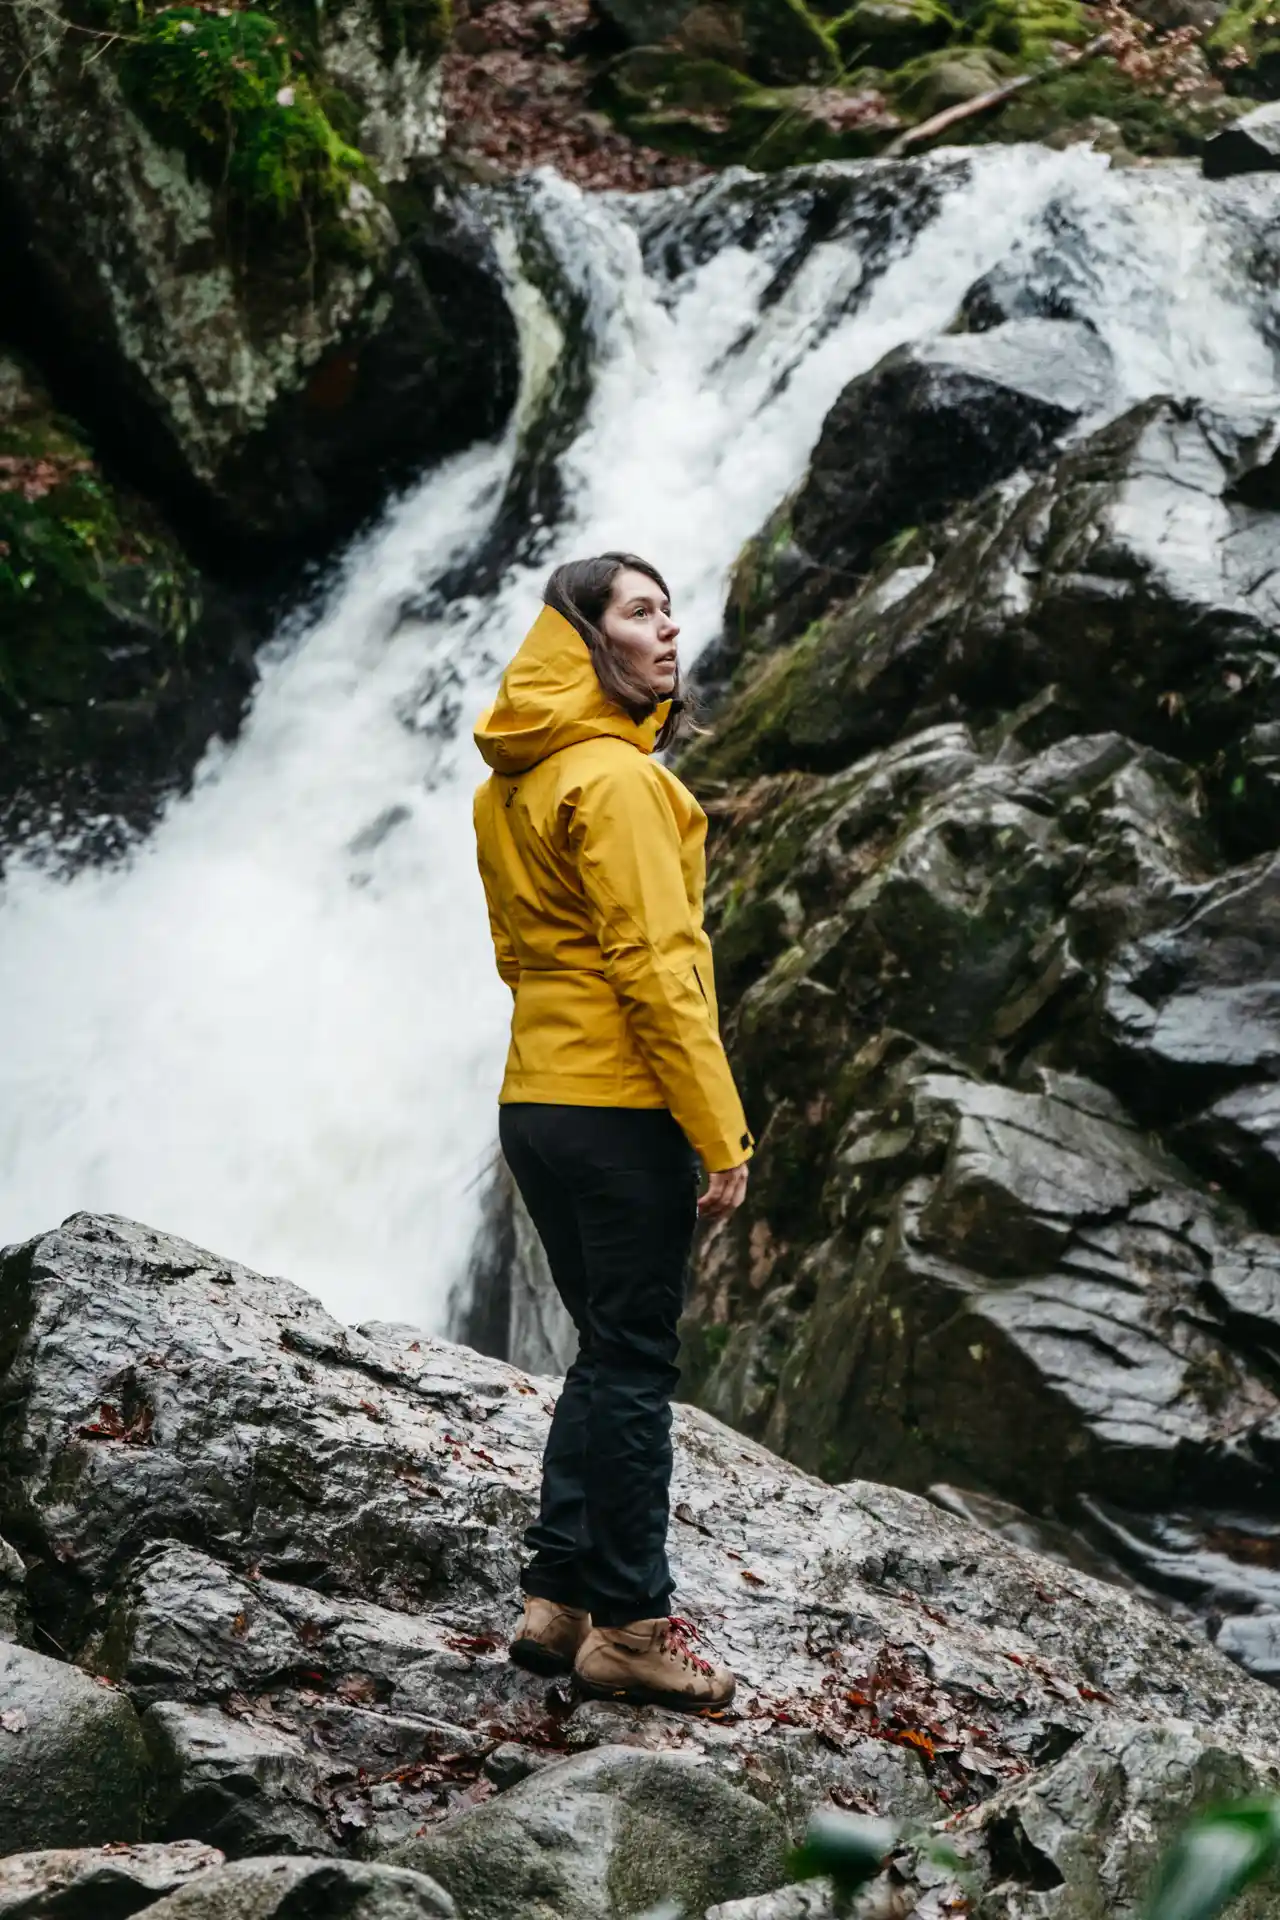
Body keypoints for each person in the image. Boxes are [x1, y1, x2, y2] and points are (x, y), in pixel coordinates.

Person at [471, 550, 753, 1712]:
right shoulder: (618, 781)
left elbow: (514, 955)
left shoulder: (512, 783)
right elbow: (657, 969)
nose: (669, 630)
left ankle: (557, 1596)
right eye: (639, 613)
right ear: (588, 641)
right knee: (633, 1363)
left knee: (599, 1347)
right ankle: (632, 1625)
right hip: (619, 1105)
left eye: (669, 608)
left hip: (535, 1101)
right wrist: (719, 1129)